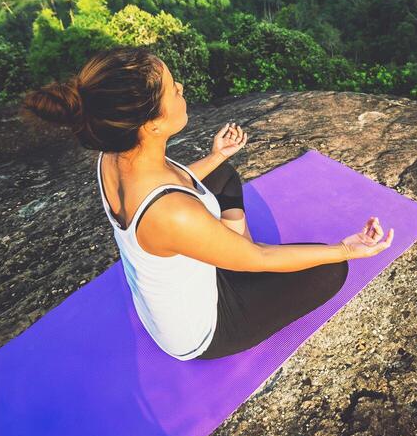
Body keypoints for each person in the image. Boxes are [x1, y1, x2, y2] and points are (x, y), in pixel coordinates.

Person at [21, 46, 394, 360]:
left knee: (221, 175)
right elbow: (258, 257)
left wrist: (216, 156)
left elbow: (180, 186)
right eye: (172, 89)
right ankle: (238, 264)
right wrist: (346, 248)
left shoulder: (112, 157)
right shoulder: (172, 213)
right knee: (331, 270)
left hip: (174, 272)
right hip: (205, 328)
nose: (181, 87)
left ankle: (230, 251)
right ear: (150, 125)